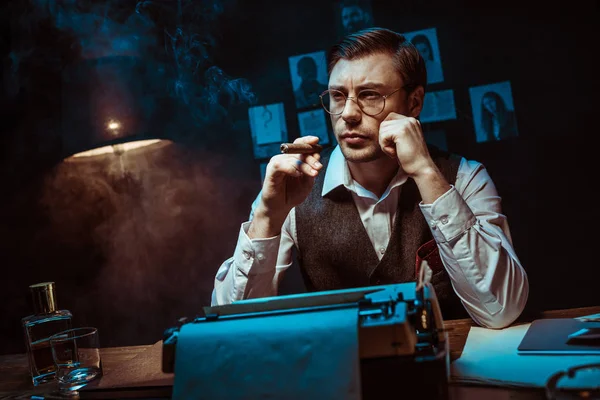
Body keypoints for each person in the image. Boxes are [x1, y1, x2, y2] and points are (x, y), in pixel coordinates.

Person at [212, 28, 528, 328]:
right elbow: (230, 323)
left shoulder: (464, 177)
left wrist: (426, 173)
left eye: (370, 95)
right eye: (338, 95)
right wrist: (266, 218)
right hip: (339, 379)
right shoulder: (294, 189)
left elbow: (501, 310)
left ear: (414, 102)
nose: (348, 113)